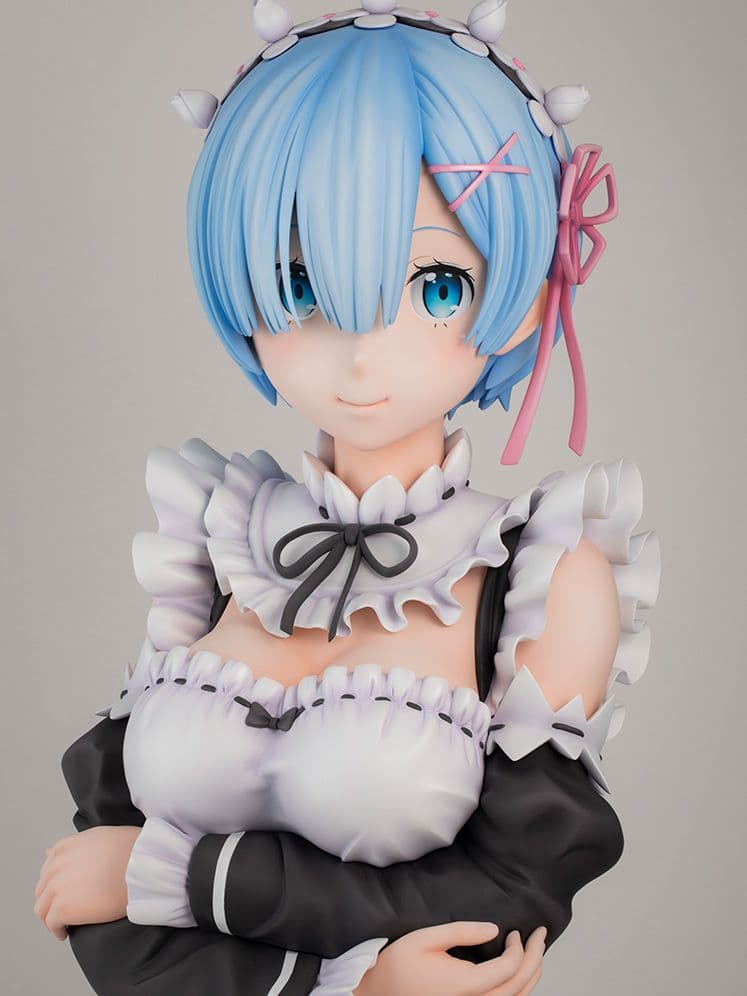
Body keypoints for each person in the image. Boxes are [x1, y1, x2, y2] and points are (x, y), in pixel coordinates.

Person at [34, 4, 660, 994]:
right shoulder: (217, 534)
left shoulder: (538, 569)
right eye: (302, 283)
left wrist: (181, 877)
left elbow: (510, 897)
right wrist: (348, 982)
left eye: (437, 286)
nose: (362, 350)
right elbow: (85, 886)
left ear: (525, 295)